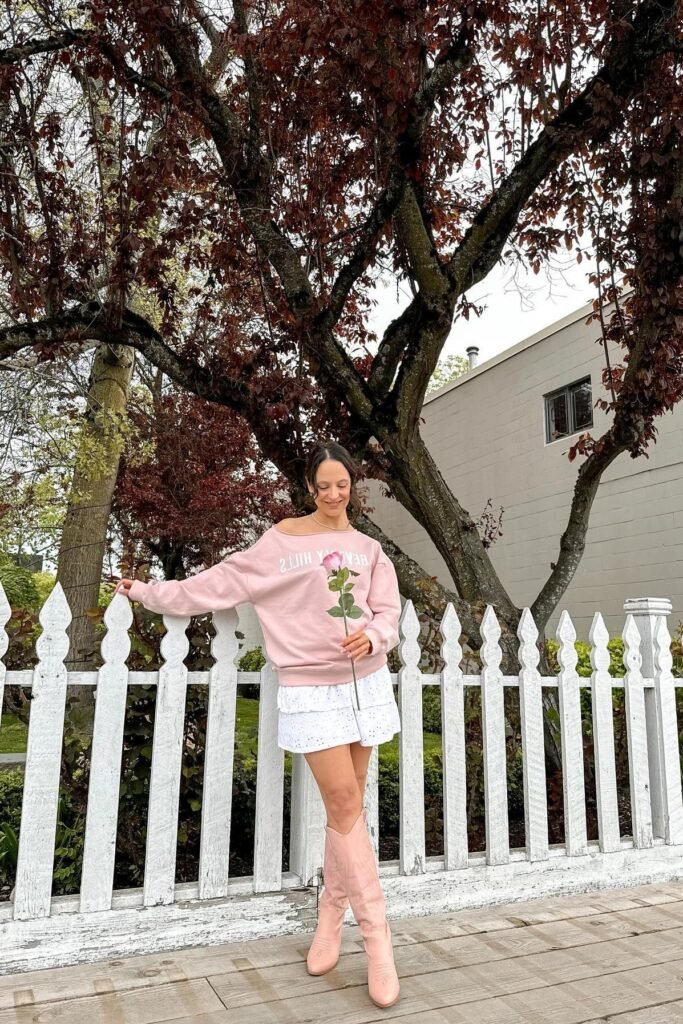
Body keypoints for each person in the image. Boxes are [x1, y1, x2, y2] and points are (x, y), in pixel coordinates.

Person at [115, 439, 402, 1009]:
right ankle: (379, 944)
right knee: (345, 807)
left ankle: (329, 923)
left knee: (347, 814)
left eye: (342, 485)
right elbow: (216, 584)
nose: (333, 494)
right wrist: (150, 592)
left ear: (352, 486)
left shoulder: (369, 549)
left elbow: (388, 612)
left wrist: (374, 635)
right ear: (309, 487)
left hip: (364, 684)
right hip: (309, 687)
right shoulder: (279, 542)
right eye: (323, 485)